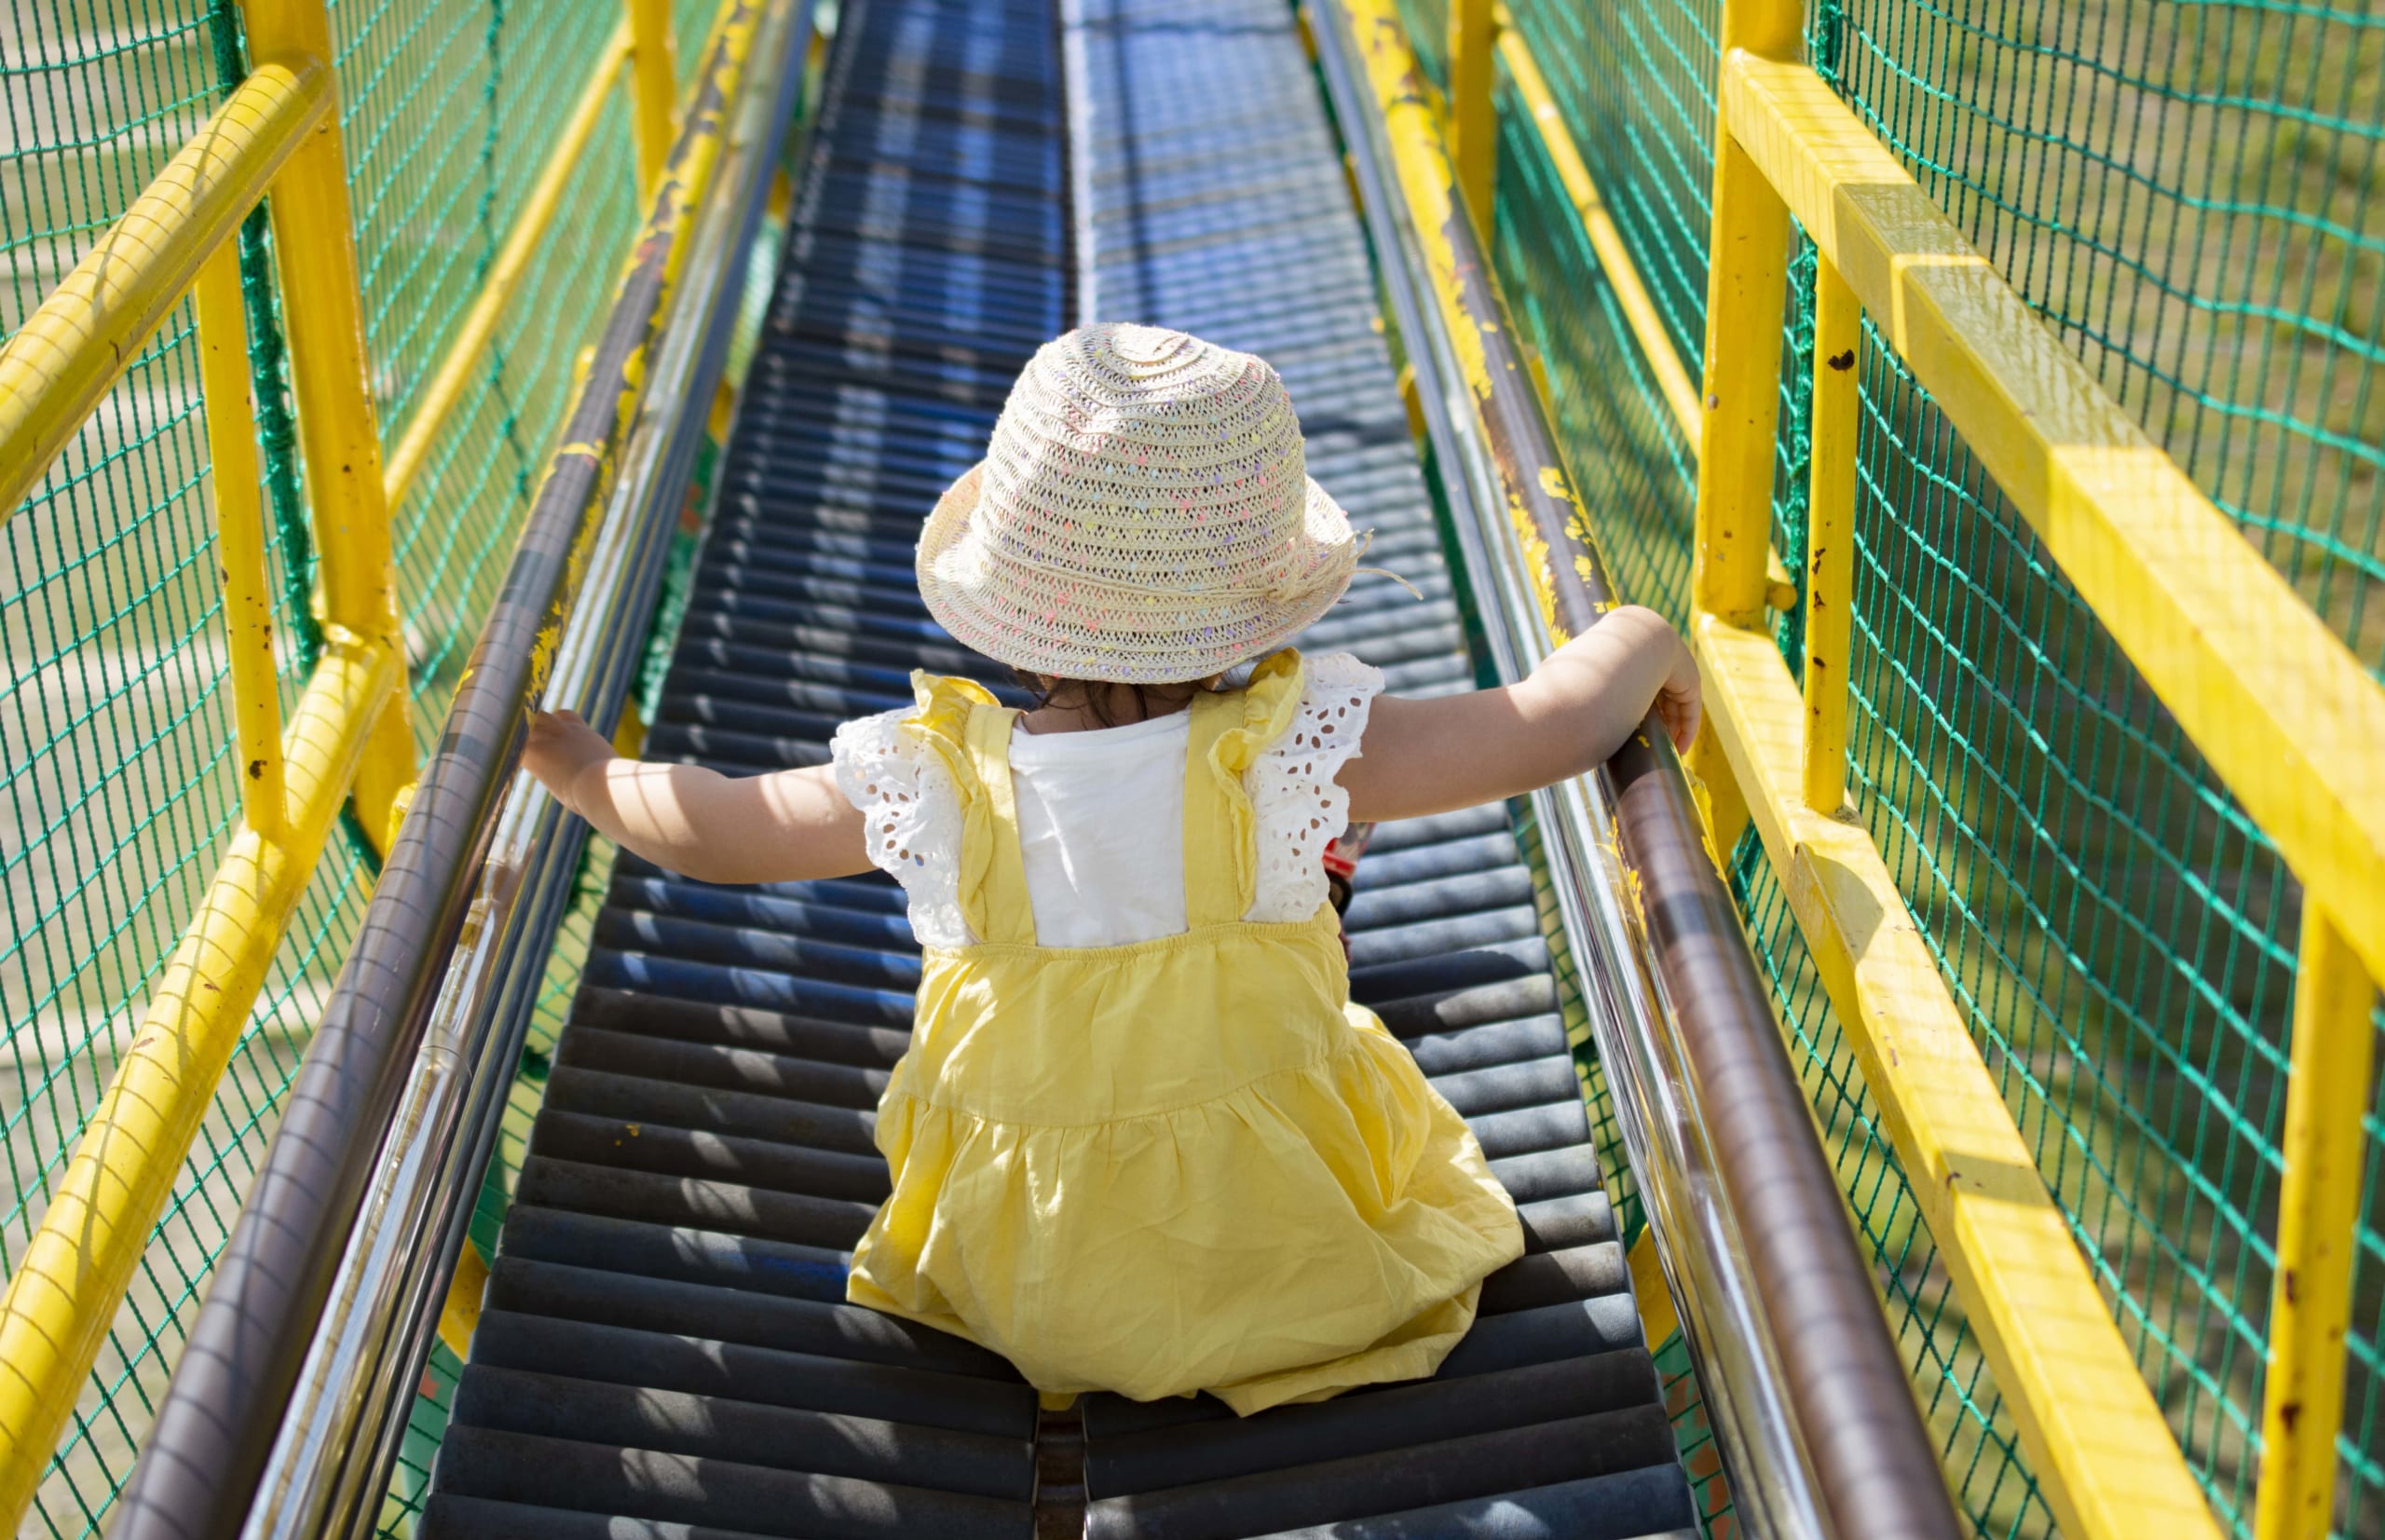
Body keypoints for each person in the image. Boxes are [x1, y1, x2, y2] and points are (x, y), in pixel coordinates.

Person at [523, 323, 1700, 1415]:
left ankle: (1299, 880)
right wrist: (1644, 633)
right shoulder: (1292, 741)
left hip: (1026, 1269)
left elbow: (718, 832)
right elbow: (1549, 726)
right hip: (1280, 1243)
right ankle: (1308, 875)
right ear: (1255, 602)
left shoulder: (938, 774)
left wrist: (576, 763)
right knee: (1293, 846)